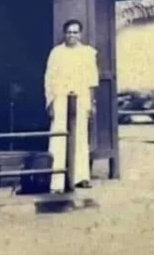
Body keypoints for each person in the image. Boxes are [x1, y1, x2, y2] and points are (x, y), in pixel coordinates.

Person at [44, 19, 99, 192]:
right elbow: (49, 79)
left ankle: (81, 177)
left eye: (75, 32)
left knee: (80, 137)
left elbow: (92, 81)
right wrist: (50, 103)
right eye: (69, 32)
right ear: (64, 34)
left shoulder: (87, 53)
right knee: (59, 137)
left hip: (81, 99)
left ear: (80, 34)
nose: (72, 35)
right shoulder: (56, 53)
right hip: (60, 99)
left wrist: (91, 103)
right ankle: (57, 180)